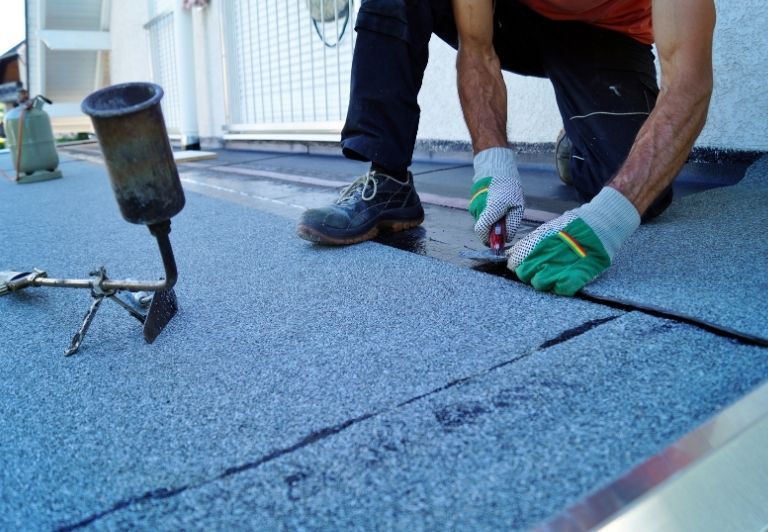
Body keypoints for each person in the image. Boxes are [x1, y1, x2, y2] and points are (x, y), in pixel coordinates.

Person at [296, 0, 715, 296]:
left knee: (647, 196)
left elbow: (688, 79)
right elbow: (477, 48)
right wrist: (491, 163)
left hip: (605, 32)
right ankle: (387, 180)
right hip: (513, 15)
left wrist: (610, 217)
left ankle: (579, 147)